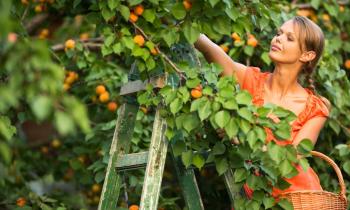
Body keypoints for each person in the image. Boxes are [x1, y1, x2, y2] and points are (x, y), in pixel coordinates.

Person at [194, 16, 330, 198]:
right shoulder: (250, 80)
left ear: (307, 55)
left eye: (289, 38)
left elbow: (291, 161)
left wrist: (242, 137)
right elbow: (209, 48)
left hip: (300, 200)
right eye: (278, 33)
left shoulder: (315, 108)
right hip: (256, 199)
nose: (278, 39)